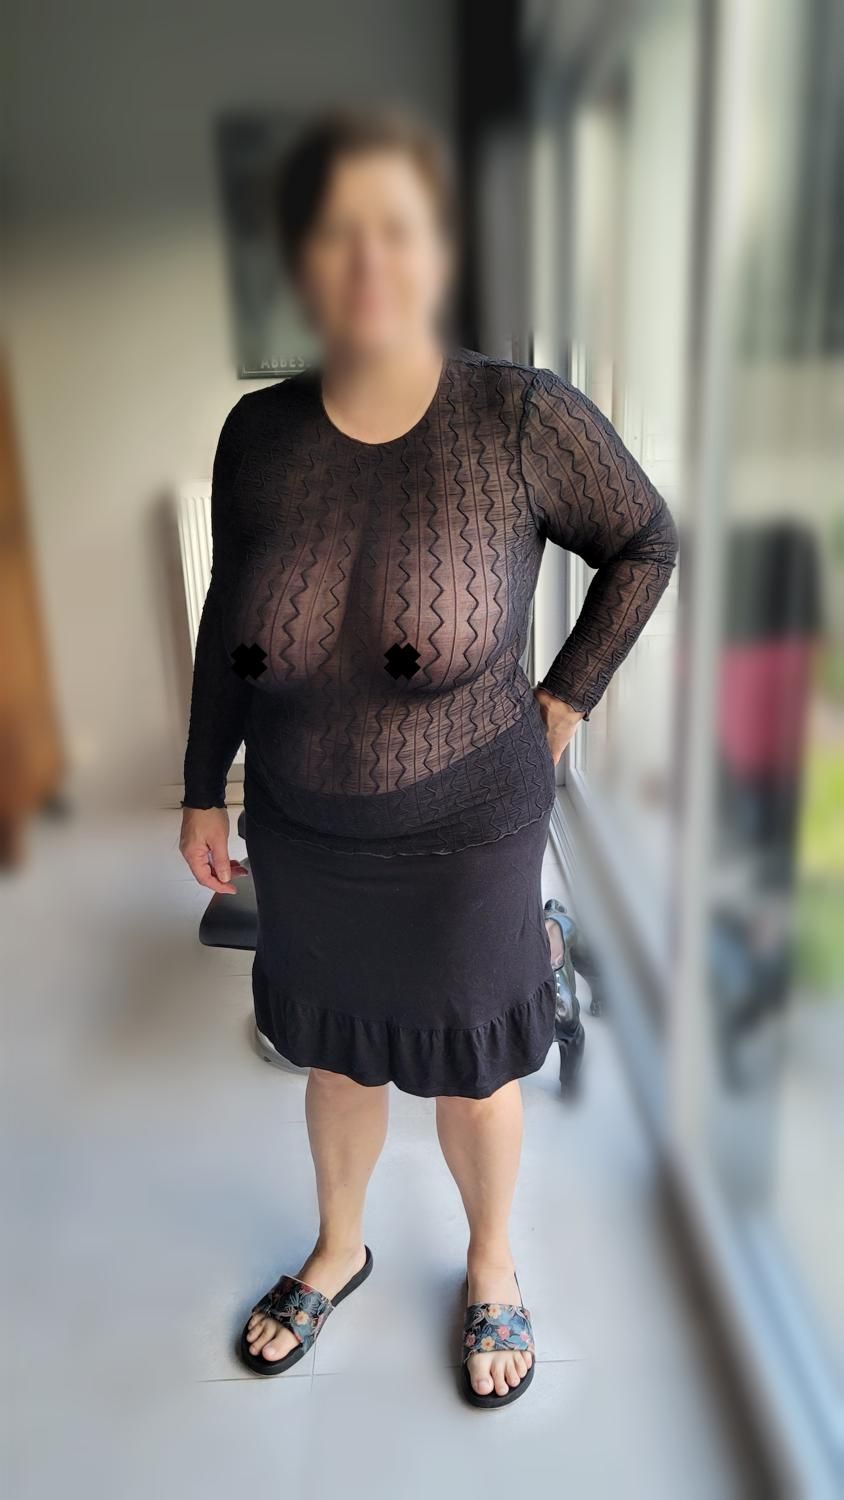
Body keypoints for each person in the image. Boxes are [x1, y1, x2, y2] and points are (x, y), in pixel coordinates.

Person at [179, 108, 678, 1408]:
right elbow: (230, 620)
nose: (366, 258)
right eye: (335, 231)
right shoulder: (258, 435)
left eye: (394, 227)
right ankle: (339, 1249)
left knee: (472, 1055)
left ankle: (492, 1262)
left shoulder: (519, 415)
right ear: (301, 256)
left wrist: (565, 699)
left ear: (438, 247)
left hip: (466, 824)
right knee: (337, 1050)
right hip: (302, 823)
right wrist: (199, 782)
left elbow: (645, 542)